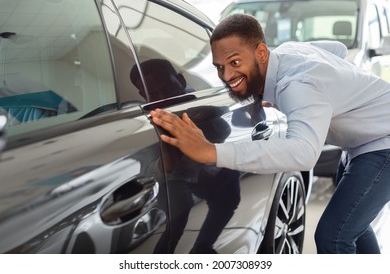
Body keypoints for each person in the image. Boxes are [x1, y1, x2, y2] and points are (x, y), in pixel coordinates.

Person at [150, 13, 390, 254]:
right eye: (219, 67)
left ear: (262, 54)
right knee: (352, 227)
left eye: (235, 63)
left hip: (383, 143)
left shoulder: (297, 85)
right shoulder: (287, 53)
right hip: (362, 141)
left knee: (333, 236)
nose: (225, 76)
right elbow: (336, 49)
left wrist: (212, 151)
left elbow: (303, 153)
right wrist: (350, 90)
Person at [131, 58, 240, 253]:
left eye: (168, 88)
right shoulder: (147, 121)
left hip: (204, 173)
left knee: (229, 188)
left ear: (180, 81)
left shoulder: (200, 105)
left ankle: (203, 246)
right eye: (154, 94)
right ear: (143, 95)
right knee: (177, 215)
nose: (165, 97)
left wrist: (202, 120)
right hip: (173, 179)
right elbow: (164, 168)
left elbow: (224, 129)